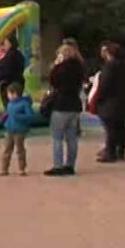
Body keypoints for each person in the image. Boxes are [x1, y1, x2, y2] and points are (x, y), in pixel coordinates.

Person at [44, 44, 86, 176]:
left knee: (57, 137)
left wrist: (56, 65)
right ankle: (70, 165)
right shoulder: (79, 67)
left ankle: (58, 165)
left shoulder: (61, 68)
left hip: (61, 105)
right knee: (72, 138)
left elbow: (53, 81)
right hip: (74, 105)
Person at [95, 41, 125, 163]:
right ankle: (121, 152)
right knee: (121, 127)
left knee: (110, 128)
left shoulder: (110, 66)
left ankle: (110, 153)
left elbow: (104, 85)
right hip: (124, 100)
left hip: (110, 101)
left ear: (108, 53)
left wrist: (98, 98)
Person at [0, 82, 34, 176]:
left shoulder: (24, 104)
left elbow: (30, 116)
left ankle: (21, 168)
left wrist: (18, 116)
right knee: (7, 149)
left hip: (19, 130)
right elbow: (8, 112)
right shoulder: (10, 104)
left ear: (15, 94)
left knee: (20, 150)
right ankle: (4, 168)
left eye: (9, 94)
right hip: (10, 129)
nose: (8, 96)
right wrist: (4, 117)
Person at [0, 34, 25, 109]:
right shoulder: (19, 55)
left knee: (10, 106)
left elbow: (5, 72)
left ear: (10, 43)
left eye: (6, 43)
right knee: (16, 105)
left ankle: (11, 118)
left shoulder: (9, 57)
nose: (5, 45)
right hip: (18, 82)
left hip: (9, 84)